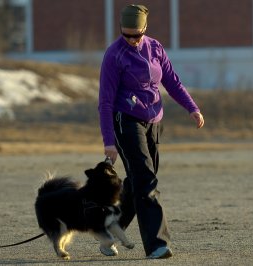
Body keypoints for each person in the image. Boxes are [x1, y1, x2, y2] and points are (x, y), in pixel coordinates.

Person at [98, 4, 204, 259]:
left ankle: (110, 231)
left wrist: (192, 107)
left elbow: (172, 81)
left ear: (145, 28)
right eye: (126, 35)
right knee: (146, 180)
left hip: (154, 120)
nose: (132, 40)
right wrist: (109, 142)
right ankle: (158, 244)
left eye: (137, 34)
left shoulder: (155, 48)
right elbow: (105, 102)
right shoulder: (114, 55)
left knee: (138, 182)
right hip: (126, 120)